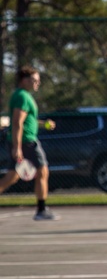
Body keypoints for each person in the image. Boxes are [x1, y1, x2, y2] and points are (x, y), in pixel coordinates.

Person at [0, 66, 57, 220]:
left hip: (24, 140)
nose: (37, 83)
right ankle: (41, 210)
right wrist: (17, 147)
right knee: (43, 171)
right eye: (34, 80)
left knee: (12, 176)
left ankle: (41, 209)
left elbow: (27, 120)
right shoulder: (22, 97)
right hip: (27, 142)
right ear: (24, 80)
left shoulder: (22, 95)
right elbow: (18, 122)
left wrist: (43, 124)